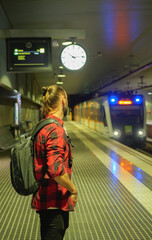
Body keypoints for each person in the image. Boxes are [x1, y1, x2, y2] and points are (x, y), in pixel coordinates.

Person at [31, 85, 78, 240]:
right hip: (54, 201)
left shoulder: (43, 125)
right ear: (63, 100)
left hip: (46, 199)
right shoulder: (55, 129)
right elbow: (55, 170)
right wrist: (73, 190)